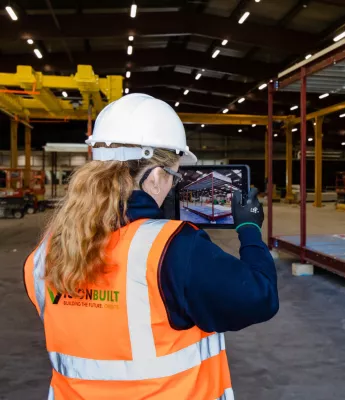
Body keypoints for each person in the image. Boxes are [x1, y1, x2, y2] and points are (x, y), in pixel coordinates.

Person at [24, 94, 279, 400]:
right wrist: (249, 229)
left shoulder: (48, 250)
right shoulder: (175, 249)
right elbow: (259, 297)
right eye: (173, 176)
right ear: (157, 176)